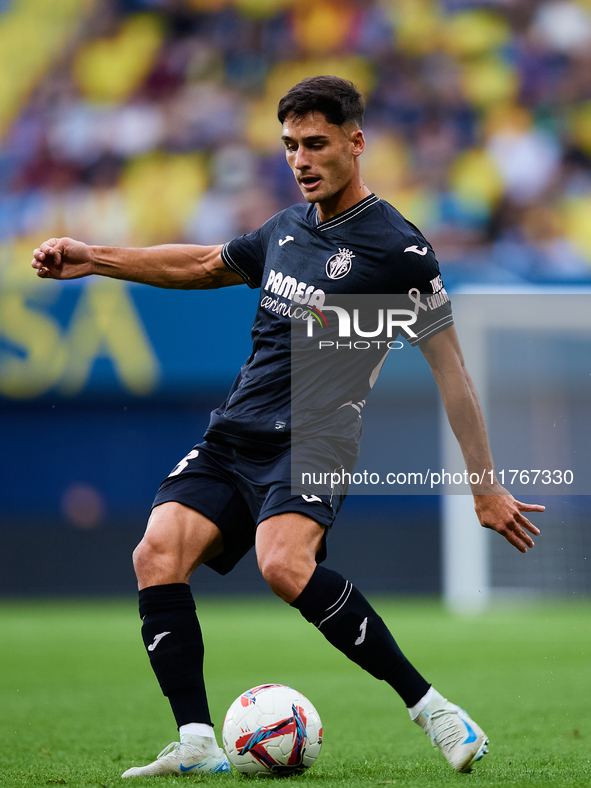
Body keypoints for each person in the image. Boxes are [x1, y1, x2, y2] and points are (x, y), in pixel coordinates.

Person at [32, 75, 544, 778]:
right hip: (235, 431)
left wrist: (484, 486)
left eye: (315, 144)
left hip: (315, 438)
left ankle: (433, 710)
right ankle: (195, 741)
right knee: (155, 555)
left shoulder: (398, 251)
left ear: (355, 143)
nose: (300, 159)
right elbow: (205, 264)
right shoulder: (286, 229)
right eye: (288, 146)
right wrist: (95, 258)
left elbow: (450, 370)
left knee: (282, 565)